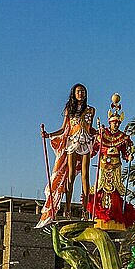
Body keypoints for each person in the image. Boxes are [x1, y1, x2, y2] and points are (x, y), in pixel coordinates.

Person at [39, 84, 96, 225]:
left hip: (86, 141)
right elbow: (64, 128)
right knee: (70, 175)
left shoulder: (91, 110)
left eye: (82, 91)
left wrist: (100, 132)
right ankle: (68, 208)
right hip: (72, 141)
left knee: (85, 175)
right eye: (78, 91)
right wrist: (49, 135)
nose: (80, 93)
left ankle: (85, 210)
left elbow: (90, 128)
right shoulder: (69, 110)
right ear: (74, 94)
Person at [86, 95, 135, 230]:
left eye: (117, 123)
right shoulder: (101, 135)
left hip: (116, 167)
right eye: (114, 122)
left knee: (115, 191)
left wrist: (128, 157)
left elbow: (125, 152)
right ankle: (100, 215)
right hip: (104, 166)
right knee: (101, 189)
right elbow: (94, 150)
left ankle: (115, 217)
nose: (115, 124)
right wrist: (85, 155)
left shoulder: (122, 137)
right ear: (110, 122)